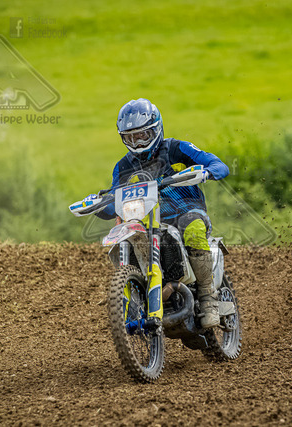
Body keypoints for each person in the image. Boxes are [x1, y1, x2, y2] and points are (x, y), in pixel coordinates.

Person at [84, 98, 229, 329]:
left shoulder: (176, 148)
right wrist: (100, 205)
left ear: (156, 129)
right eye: (130, 138)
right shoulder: (123, 166)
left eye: (142, 135)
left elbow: (218, 164)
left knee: (192, 229)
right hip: (147, 220)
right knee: (126, 239)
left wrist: (207, 172)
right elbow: (114, 199)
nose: (137, 142)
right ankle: (136, 298)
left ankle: (208, 298)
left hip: (186, 211)